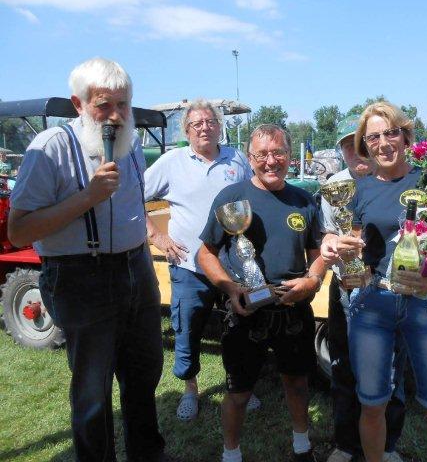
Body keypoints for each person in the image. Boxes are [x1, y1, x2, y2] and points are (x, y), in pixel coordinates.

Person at [8, 58, 164, 461]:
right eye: (103, 105)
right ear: (78, 104)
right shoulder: (51, 148)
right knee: (93, 391)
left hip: (136, 268)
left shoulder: (131, 146)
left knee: (144, 374)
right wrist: (86, 198)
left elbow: (132, 208)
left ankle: (147, 454)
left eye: (123, 104)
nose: (115, 115)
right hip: (80, 275)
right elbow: (19, 231)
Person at [321, 102, 427, 462]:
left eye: (391, 132)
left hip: (425, 305)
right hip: (373, 305)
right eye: (373, 136)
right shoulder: (358, 190)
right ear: (365, 145)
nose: (383, 142)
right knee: (372, 403)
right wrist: (335, 247)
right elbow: (351, 244)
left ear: (405, 136)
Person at [197, 124, 325, 462]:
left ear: (289, 154)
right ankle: (231, 454)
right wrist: (228, 287)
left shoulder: (305, 200)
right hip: (246, 311)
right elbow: (205, 253)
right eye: (262, 155)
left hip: (293, 309)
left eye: (278, 152)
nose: (271, 161)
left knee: (297, 383)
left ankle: (301, 446)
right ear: (250, 159)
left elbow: (318, 256)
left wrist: (312, 282)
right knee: (238, 391)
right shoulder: (231, 199)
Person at [144, 99, 255, 421]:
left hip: (232, 265)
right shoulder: (171, 162)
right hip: (189, 267)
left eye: (210, 122)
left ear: (220, 127)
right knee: (187, 329)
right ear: (187, 130)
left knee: (241, 327)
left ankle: (243, 387)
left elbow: (254, 197)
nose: (204, 127)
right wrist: (158, 236)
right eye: (197, 124)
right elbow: (133, 196)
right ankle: (190, 390)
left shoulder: (237, 159)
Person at [320, 116, 406, 462]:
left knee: (394, 373)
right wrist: (330, 245)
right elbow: (325, 233)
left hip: (389, 291)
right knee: (344, 369)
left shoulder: (392, 180)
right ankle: (346, 444)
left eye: (360, 145)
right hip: (345, 288)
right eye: (348, 146)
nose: (355, 152)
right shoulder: (335, 187)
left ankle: (387, 447)